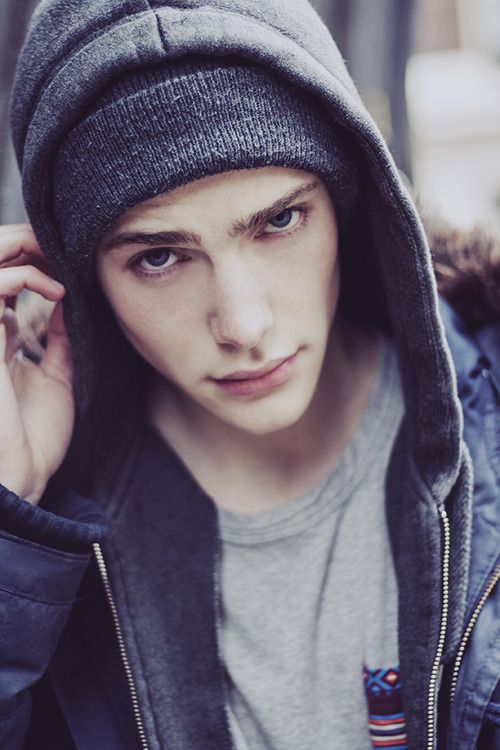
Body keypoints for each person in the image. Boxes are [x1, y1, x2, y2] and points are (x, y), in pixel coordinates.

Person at [0, 0, 498, 748]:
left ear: (351, 204)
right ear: (81, 275)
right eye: (159, 257)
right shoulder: (47, 517)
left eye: (279, 222)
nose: (243, 324)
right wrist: (11, 518)